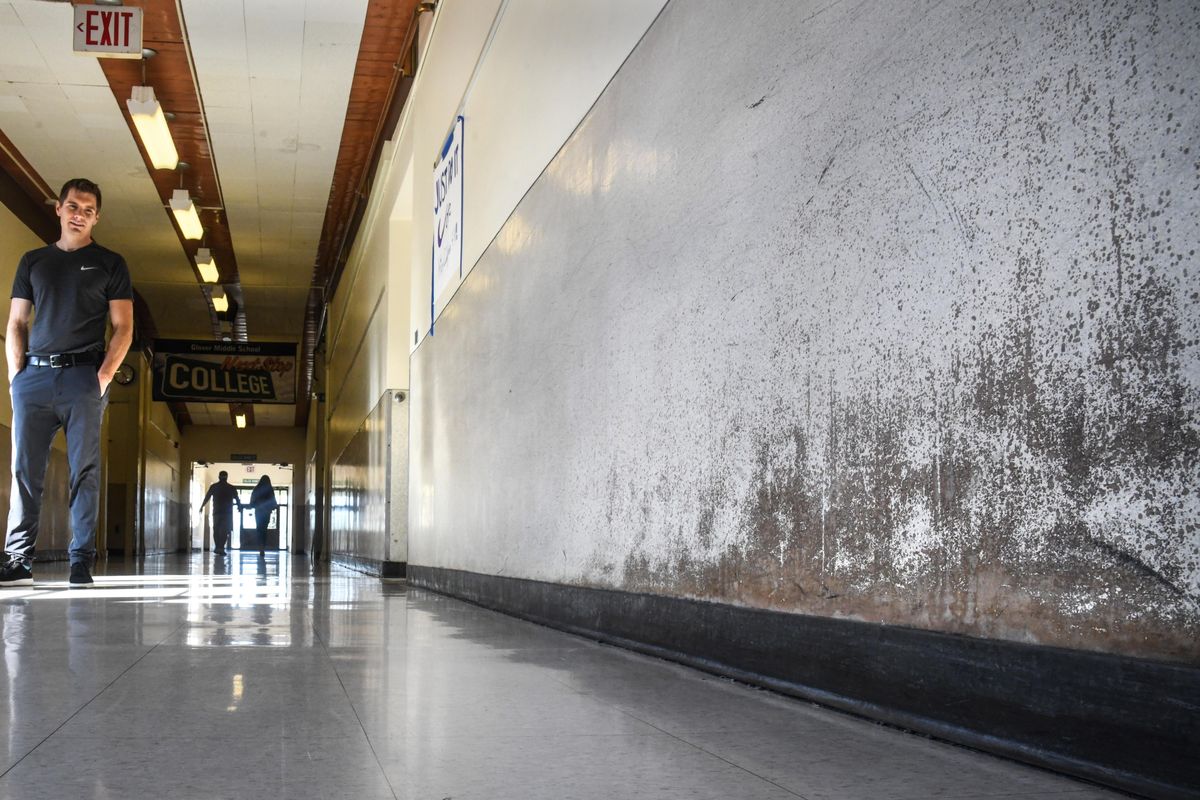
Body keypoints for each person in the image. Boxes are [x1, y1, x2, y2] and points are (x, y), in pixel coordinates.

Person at [0, 178, 134, 588]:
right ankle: (18, 560)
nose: (79, 215)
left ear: (97, 218)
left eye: (89, 210)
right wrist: (14, 378)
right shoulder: (33, 261)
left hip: (83, 377)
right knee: (24, 471)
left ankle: (80, 560)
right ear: (58, 208)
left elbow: (123, 327)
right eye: (73, 206)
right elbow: (18, 322)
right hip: (34, 379)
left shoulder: (111, 263)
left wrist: (103, 378)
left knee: (84, 472)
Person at [200, 470, 242, 554]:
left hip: (217, 512)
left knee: (216, 530)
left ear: (219, 477)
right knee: (225, 531)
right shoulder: (231, 487)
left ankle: (218, 547)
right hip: (227, 513)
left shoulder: (214, 487)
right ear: (227, 478)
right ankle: (221, 548)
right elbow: (237, 498)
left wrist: (202, 506)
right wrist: (239, 507)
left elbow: (207, 497)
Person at [248, 475, 278, 555]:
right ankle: (263, 548)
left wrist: (253, 505)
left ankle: (260, 547)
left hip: (258, 512)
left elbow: (252, 502)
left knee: (259, 530)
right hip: (266, 513)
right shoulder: (270, 490)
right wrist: (272, 507)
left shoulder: (256, 489)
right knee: (264, 530)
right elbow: (273, 502)